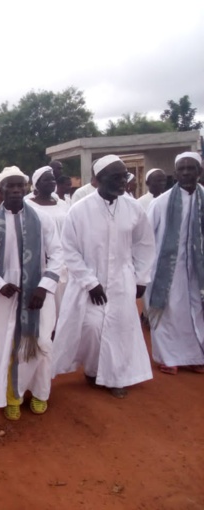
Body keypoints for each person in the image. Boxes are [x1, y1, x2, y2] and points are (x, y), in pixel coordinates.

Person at [52, 155, 155, 398]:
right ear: (98, 180)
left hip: (122, 280)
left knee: (119, 329)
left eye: (124, 176)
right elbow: (70, 249)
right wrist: (90, 282)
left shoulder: (133, 209)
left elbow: (144, 245)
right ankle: (92, 369)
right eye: (115, 177)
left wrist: (141, 278)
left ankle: (114, 377)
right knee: (91, 327)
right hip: (88, 281)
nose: (122, 182)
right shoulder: (79, 210)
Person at [0, 166, 63, 420]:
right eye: (9, 186)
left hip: (38, 297)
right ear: (0, 191)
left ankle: (41, 394)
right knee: (9, 347)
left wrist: (44, 287)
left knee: (42, 344)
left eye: (19, 185)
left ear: (26, 188)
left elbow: (57, 254)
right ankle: (13, 395)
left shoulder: (43, 219)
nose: (14, 190)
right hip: (7, 298)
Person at [146, 152, 204, 375]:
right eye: (182, 169)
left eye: (191, 168)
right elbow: (146, 236)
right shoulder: (161, 203)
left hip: (197, 270)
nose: (186, 172)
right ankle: (168, 357)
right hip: (165, 269)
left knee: (196, 310)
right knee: (168, 310)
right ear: (176, 172)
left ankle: (195, 356)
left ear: (199, 172)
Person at [26, 166, 70, 313]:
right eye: (46, 179)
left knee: (66, 302)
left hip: (66, 258)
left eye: (53, 179)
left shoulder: (62, 204)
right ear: (36, 184)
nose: (52, 182)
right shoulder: (29, 205)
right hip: (43, 261)